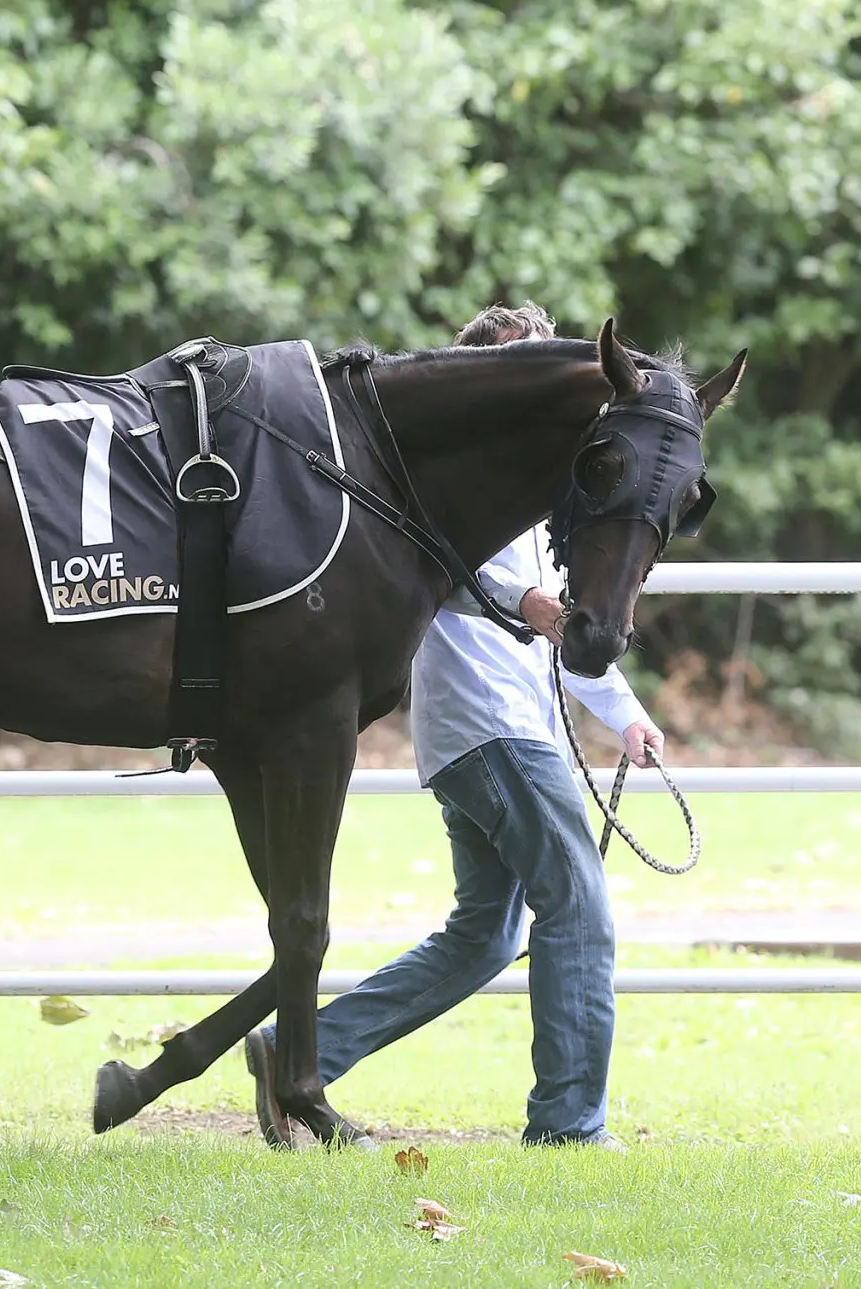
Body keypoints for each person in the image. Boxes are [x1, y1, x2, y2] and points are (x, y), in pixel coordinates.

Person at [246, 301, 665, 1150]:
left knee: (488, 933)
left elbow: (571, 613)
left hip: (496, 732)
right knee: (578, 907)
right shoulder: (459, 471)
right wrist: (528, 602)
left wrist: (623, 711)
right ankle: (570, 1125)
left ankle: (302, 1049)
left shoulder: (541, 485)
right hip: (490, 727)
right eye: (523, 358)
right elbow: (449, 560)